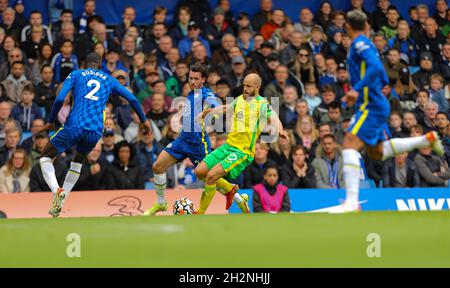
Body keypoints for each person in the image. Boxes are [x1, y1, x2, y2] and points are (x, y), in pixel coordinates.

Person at [336, 10, 444, 212]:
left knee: (349, 144)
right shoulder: (365, 43)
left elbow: (377, 68)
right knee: (376, 153)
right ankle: (424, 140)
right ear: (367, 26)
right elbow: (381, 75)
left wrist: (355, 90)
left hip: (371, 105)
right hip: (373, 103)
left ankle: (351, 202)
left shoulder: (359, 43)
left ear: (348, 27)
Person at [38, 53, 150, 218]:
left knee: (45, 157)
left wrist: (50, 120)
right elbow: (132, 99)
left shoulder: (76, 74)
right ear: (100, 66)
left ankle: (56, 191)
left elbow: (60, 98)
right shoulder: (108, 79)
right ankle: (60, 204)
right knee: (77, 161)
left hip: (75, 124)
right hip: (96, 130)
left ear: (83, 65)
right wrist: (143, 120)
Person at [143, 63, 246, 216]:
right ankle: (160, 203)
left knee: (209, 177)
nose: (192, 81)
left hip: (198, 144)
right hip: (182, 140)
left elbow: (215, 104)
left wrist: (213, 111)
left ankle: (238, 198)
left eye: (196, 79)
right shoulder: (191, 93)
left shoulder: (207, 94)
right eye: (190, 78)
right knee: (157, 166)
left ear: (203, 79)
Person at [195, 73, 288, 213]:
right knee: (200, 172)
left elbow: (274, 117)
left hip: (242, 151)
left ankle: (200, 212)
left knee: (212, 175)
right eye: (244, 85)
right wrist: (207, 112)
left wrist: (280, 130)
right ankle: (231, 191)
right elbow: (226, 108)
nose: (245, 88)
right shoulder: (239, 99)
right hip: (228, 146)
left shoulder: (262, 104)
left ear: (257, 87)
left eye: (249, 86)